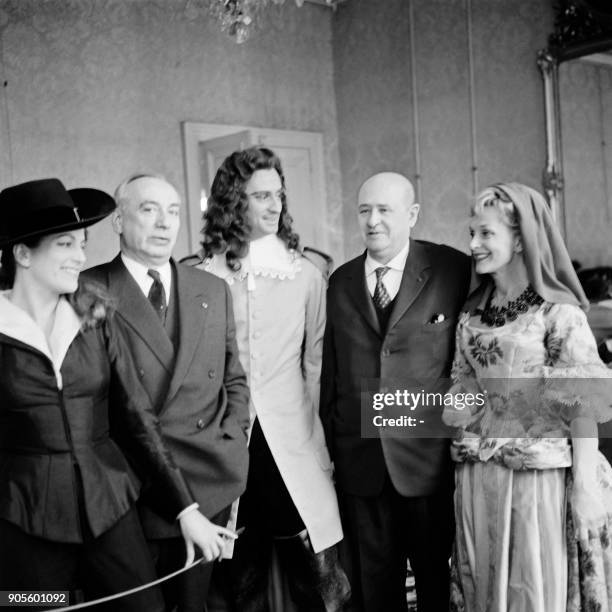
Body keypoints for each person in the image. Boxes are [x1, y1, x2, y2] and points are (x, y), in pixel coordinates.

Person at [0, 178, 234, 611]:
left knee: (145, 608)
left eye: (82, 243)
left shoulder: (93, 313)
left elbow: (135, 416)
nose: (81, 257)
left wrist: (185, 510)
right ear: (22, 253)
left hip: (110, 507)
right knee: (34, 607)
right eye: (66, 245)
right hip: (24, 518)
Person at [184, 146, 349, 611]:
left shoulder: (306, 275)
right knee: (238, 574)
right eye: (260, 196)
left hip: (292, 439)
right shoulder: (200, 278)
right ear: (233, 202)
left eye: (278, 194)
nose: (275, 205)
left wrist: (314, 439)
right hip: (227, 440)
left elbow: (315, 364)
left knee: (314, 574)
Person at [84, 173, 250, 612]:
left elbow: (234, 376)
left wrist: (233, 440)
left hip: (210, 479)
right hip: (137, 490)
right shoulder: (88, 291)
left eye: (173, 211)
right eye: (149, 210)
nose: (164, 223)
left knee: (198, 604)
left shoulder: (212, 289)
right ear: (118, 221)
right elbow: (107, 406)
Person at [443, 182, 612, 611]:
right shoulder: (472, 314)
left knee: (532, 591)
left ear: (520, 239)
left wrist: (587, 487)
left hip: (537, 482)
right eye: (471, 234)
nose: (473, 245)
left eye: (486, 234)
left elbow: (581, 405)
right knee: (481, 584)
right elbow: (459, 392)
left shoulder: (557, 312)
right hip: (477, 480)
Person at [320, 171, 472, 611]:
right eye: (365, 210)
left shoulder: (452, 269)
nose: (373, 221)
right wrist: (333, 452)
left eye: (385, 210)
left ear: (412, 214)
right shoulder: (340, 282)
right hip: (360, 465)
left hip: (427, 462)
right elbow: (331, 375)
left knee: (436, 585)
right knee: (373, 590)